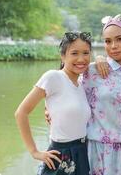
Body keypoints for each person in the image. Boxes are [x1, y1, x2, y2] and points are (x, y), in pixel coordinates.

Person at [15, 32, 92, 175]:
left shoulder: (82, 83)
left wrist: (100, 60)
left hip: (82, 152)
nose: (81, 59)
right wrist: (34, 152)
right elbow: (21, 113)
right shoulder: (53, 77)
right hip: (60, 154)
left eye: (86, 53)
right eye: (74, 53)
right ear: (63, 56)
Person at [82, 14, 121, 175]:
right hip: (99, 150)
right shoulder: (93, 71)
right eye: (108, 41)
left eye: (119, 39)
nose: (113, 46)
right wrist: (50, 112)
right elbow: (63, 89)